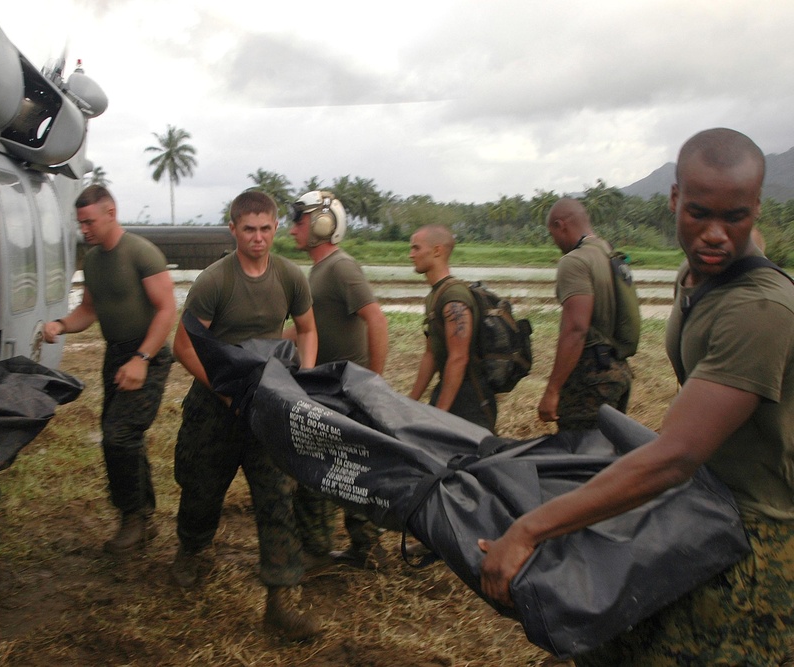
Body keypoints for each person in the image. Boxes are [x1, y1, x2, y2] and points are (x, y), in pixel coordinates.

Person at [479, 128, 794, 665]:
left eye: (735, 217)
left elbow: (674, 457)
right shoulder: (695, 278)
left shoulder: (758, 310)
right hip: (704, 505)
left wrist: (529, 529)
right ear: (674, 200)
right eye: (698, 213)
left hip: (756, 543)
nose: (715, 234)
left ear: (757, 209)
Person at [171, 190, 322, 641]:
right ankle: (191, 550)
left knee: (277, 496)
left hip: (268, 403)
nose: (258, 238)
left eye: (265, 229)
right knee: (201, 488)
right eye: (248, 230)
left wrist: (304, 383)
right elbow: (183, 345)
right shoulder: (215, 281)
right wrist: (223, 389)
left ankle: (279, 602)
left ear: (275, 228)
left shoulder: (291, 276)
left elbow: (309, 330)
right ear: (233, 229)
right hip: (215, 405)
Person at [42, 185, 175, 557]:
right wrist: (60, 324)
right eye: (79, 222)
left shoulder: (141, 253)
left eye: (89, 221)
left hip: (146, 355)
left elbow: (166, 310)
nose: (84, 229)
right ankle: (143, 518)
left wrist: (142, 359)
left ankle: (133, 518)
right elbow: (88, 309)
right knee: (121, 436)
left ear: (111, 213)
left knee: (119, 435)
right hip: (116, 355)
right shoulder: (95, 260)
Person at [287, 190, 389, 571]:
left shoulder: (342, 267)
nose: (292, 227)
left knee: (321, 469)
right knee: (349, 469)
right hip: (330, 387)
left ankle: (316, 552)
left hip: (348, 389)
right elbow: (310, 330)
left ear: (322, 225)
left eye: (299, 220)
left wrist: (372, 383)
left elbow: (376, 320)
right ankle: (366, 548)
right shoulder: (320, 271)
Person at [537, 198, 634, 431]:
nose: (556, 243)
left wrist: (552, 391)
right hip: (618, 371)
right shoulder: (610, 253)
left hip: (590, 378)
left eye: (553, 235)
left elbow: (576, 329)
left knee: (581, 454)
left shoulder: (575, 261)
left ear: (561, 225)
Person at [407, 224, 496, 432]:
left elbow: (459, 358)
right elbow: (431, 353)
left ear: (437, 251)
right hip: (448, 390)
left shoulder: (453, 297)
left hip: (470, 399)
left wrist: (440, 415)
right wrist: (411, 401)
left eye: (416, 248)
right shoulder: (435, 295)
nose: (411, 255)